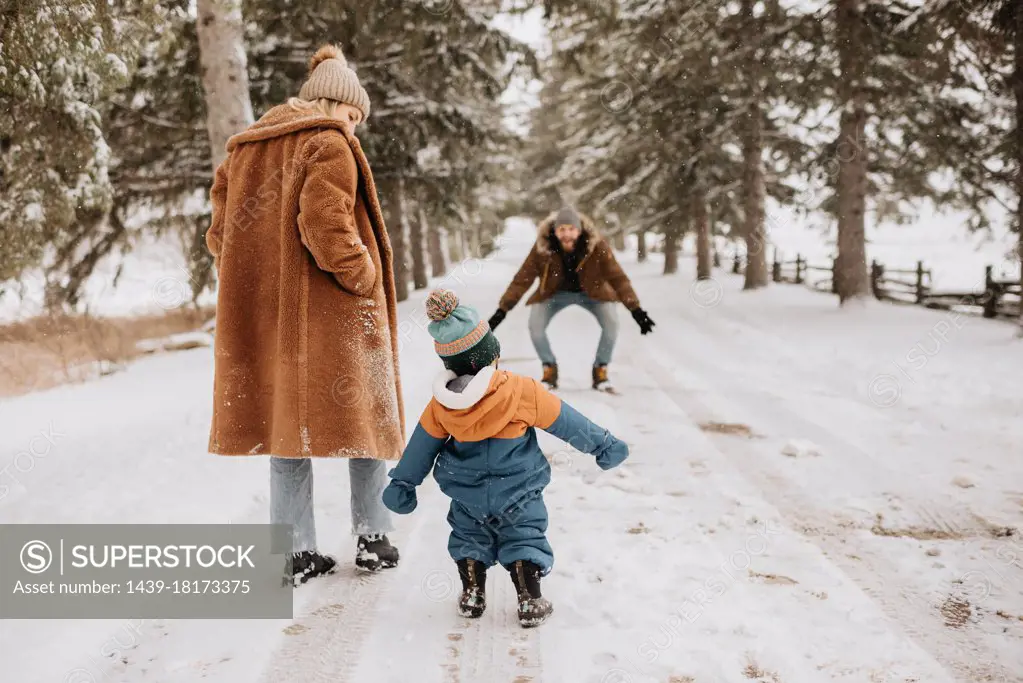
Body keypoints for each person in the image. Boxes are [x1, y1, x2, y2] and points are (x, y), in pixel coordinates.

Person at [205, 45, 404, 584]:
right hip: (332, 313)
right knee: (364, 419)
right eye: (351, 114)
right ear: (327, 102)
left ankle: (294, 552)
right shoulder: (328, 143)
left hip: (270, 320)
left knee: (288, 430)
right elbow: (325, 227)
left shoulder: (245, 150)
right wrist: (362, 276)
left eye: (358, 120)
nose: (354, 128)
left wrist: (253, 284)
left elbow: (219, 234)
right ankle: (373, 537)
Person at [382, 289, 629, 627]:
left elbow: (421, 447)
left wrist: (403, 482)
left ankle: (472, 593)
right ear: (490, 352)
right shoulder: (520, 390)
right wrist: (603, 445)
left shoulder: (442, 404)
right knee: (524, 535)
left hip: (468, 494)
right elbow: (567, 421)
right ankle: (529, 598)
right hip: (518, 489)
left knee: (469, 538)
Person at [487, 206, 655, 392]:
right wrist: (502, 310)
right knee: (535, 326)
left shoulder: (596, 246)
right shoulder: (543, 247)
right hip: (554, 294)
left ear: (579, 230)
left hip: (593, 294)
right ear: (555, 230)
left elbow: (617, 277)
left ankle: (601, 369)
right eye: (562, 230)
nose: (567, 234)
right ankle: (549, 368)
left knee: (612, 323)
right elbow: (522, 279)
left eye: (571, 229)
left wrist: (636, 310)